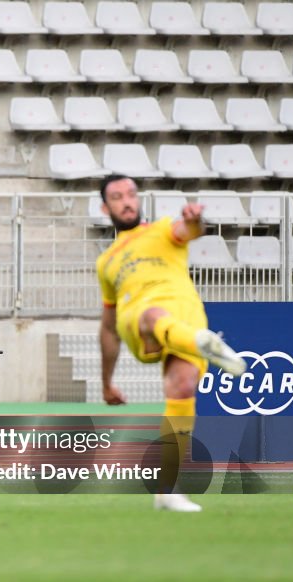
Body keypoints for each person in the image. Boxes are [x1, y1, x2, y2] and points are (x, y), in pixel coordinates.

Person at [96, 175, 246, 512]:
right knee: (152, 313)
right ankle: (202, 343)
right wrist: (106, 381)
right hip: (139, 321)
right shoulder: (106, 262)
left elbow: (187, 231)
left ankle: (166, 488)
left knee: (182, 386)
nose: (127, 201)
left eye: (131, 194)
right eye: (117, 197)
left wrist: (194, 221)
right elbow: (108, 327)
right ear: (106, 207)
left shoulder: (162, 229)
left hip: (185, 317)